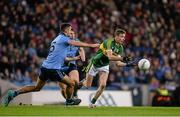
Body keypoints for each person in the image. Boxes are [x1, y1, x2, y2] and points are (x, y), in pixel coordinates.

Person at [2, 23, 99, 107]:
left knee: (37, 87)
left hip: (45, 67)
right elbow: (76, 43)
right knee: (71, 83)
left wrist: (75, 58)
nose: (71, 32)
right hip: (53, 69)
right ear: (66, 30)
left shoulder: (56, 39)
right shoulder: (64, 39)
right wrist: (92, 45)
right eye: (70, 30)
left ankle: (14, 93)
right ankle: (69, 101)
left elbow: (62, 55)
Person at [78, 28, 137, 108]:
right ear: (116, 36)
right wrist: (123, 58)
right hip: (95, 63)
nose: (123, 39)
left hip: (104, 65)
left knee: (103, 85)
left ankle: (92, 103)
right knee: (88, 85)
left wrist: (128, 65)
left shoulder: (120, 48)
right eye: (121, 36)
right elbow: (109, 57)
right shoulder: (108, 42)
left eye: (124, 37)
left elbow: (118, 64)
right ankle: (82, 82)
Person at [59, 31, 85, 99]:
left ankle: (75, 94)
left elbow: (81, 48)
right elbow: (63, 58)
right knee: (64, 88)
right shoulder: (62, 42)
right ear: (67, 34)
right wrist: (75, 58)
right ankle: (68, 101)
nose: (73, 35)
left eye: (74, 33)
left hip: (71, 64)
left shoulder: (76, 41)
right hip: (60, 66)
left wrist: (83, 59)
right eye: (71, 33)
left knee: (75, 82)